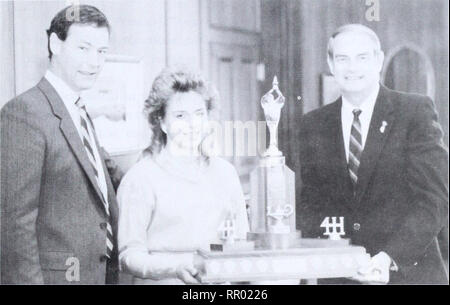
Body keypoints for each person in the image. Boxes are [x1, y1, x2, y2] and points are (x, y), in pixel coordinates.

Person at [297, 24, 448, 284]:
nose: (352, 68)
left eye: (362, 58)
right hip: (341, 275)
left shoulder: (414, 112)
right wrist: (339, 257)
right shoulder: (314, 124)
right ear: (331, 65)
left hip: (406, 273)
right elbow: (310, 204)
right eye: (343, 59)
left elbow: (435, 200)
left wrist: (387, 258)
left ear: (378, 60)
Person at [1, 5, 120, 284]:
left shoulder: (78, 111)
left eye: (102, 52)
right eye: (84, 48)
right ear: (55, 43)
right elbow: (13, 227)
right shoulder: (24, 113)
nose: (94, 62)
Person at [117, 67, 249, 284]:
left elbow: (240, 243)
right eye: (180, 116)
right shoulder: (140, 178)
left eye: (199, 114)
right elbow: (129, 256)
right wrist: (178, 267)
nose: (192, 124)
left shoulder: (226, 173)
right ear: (161, 122)